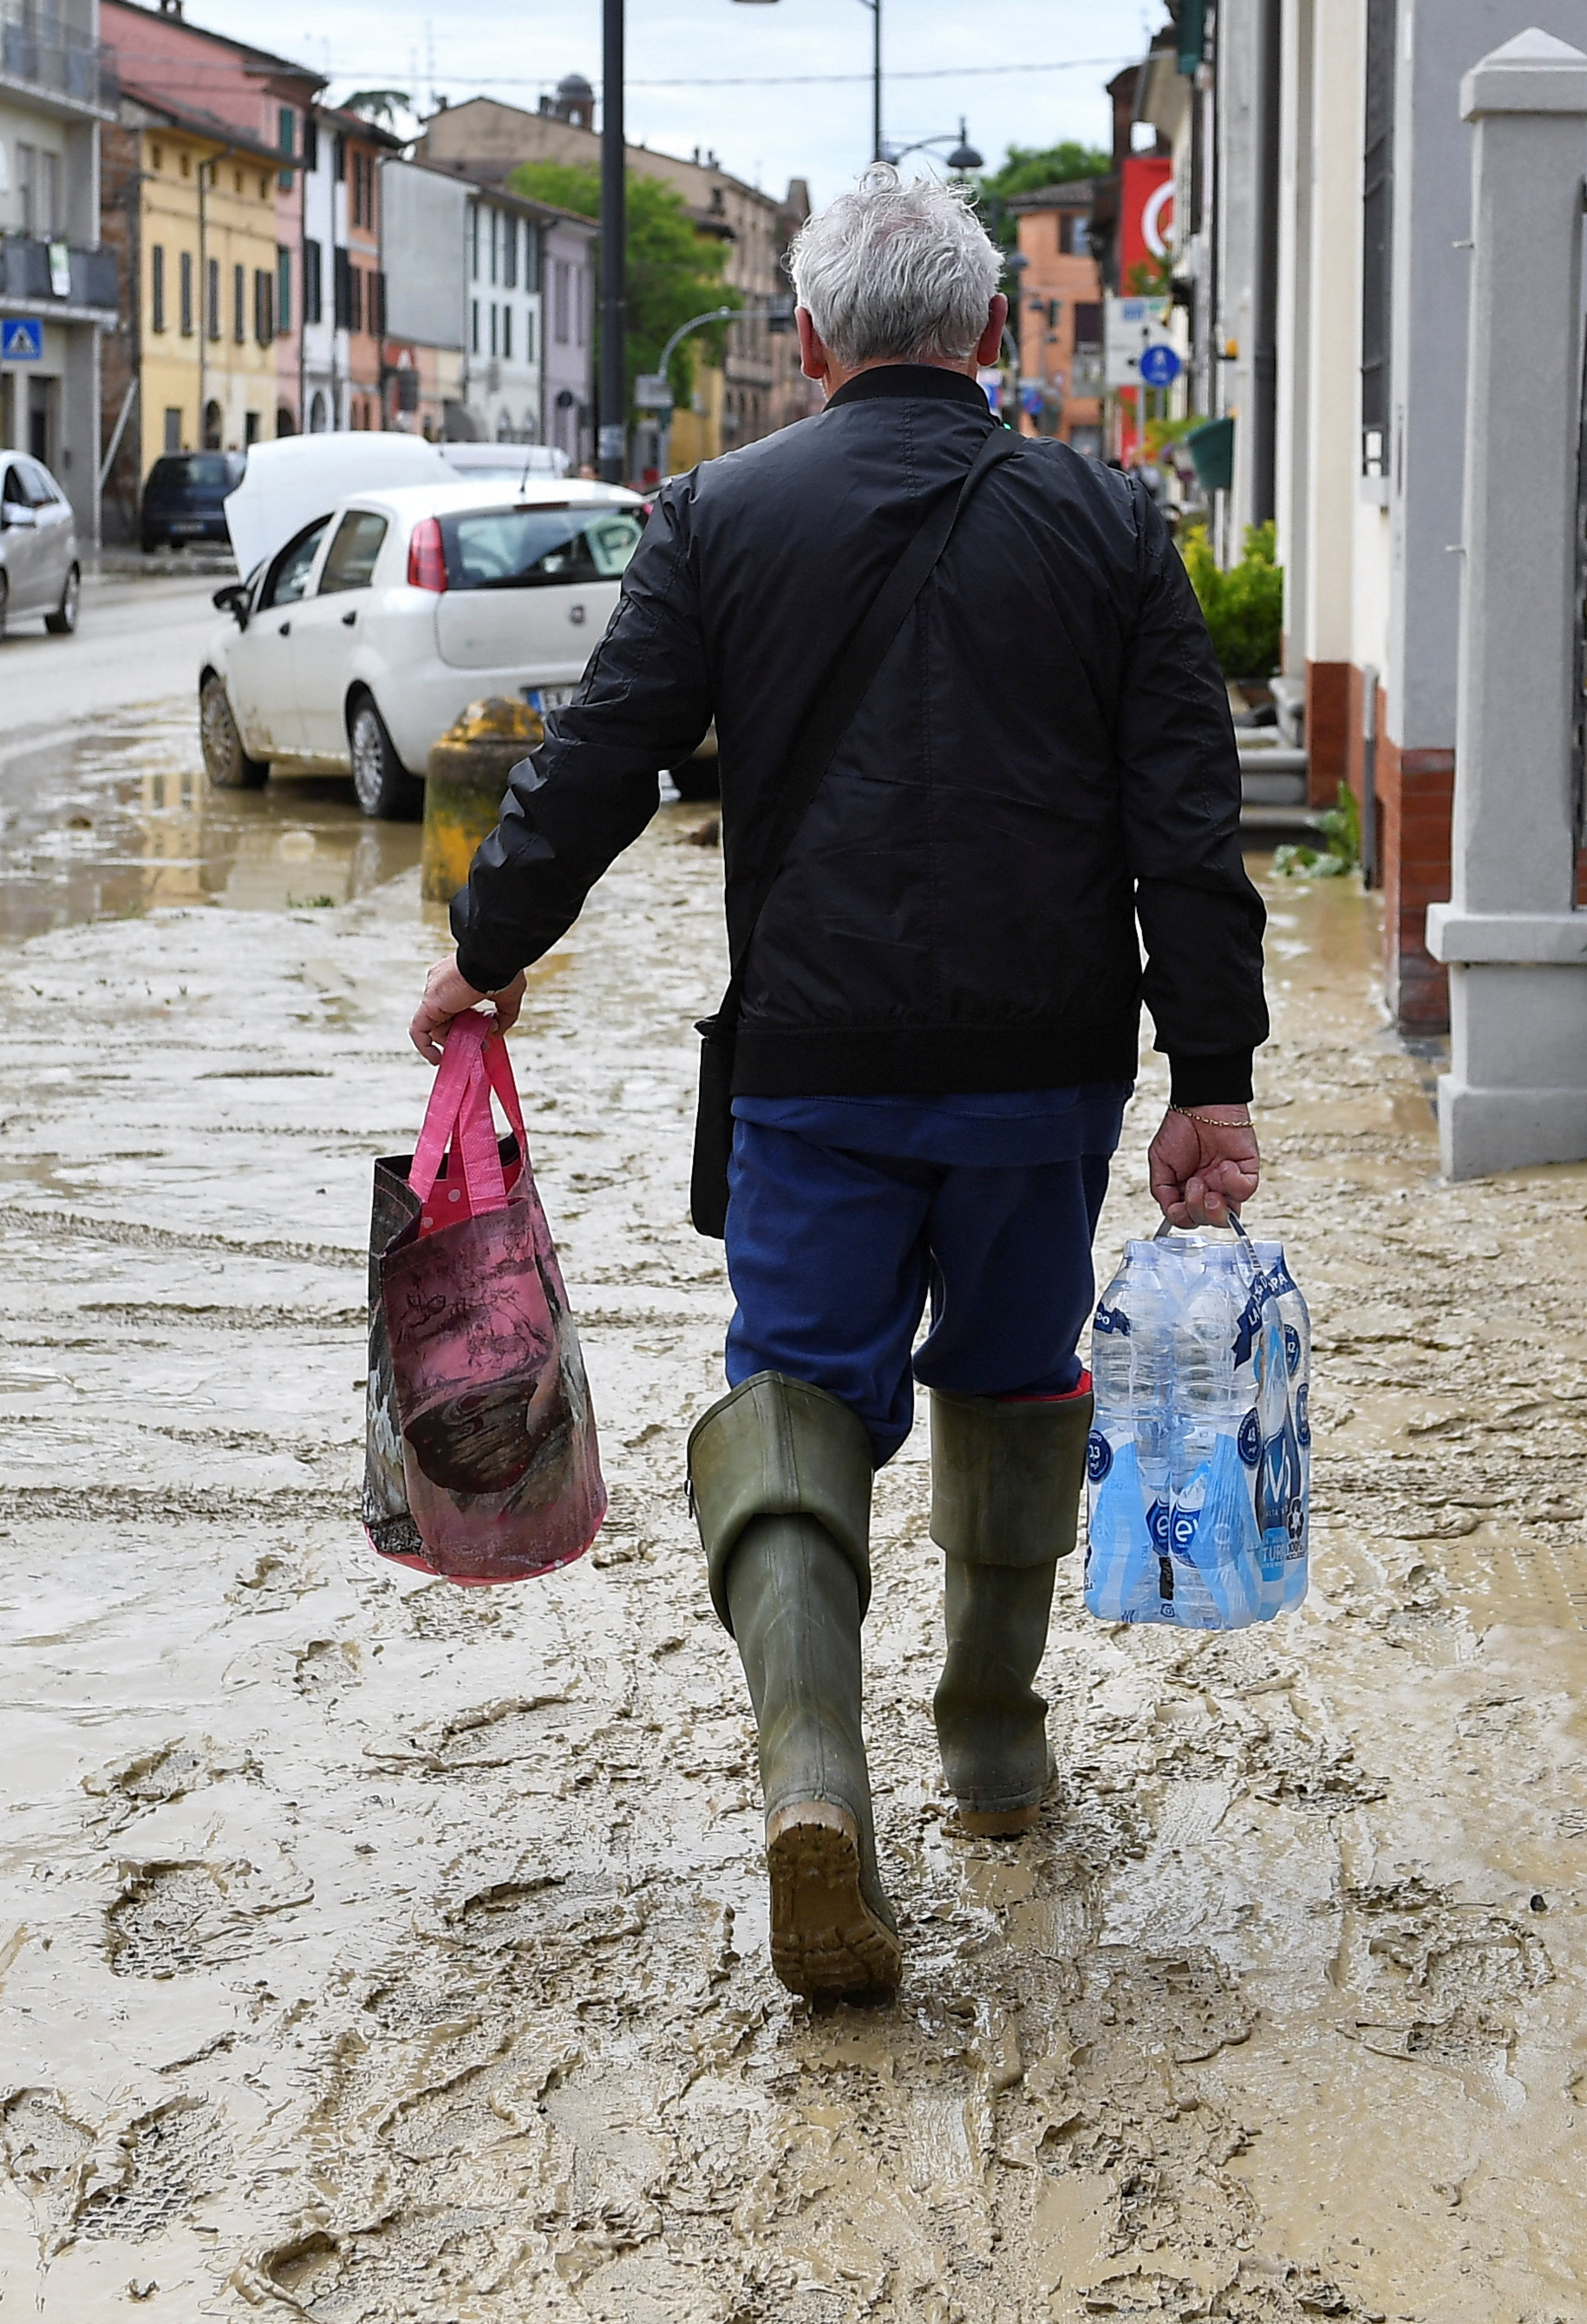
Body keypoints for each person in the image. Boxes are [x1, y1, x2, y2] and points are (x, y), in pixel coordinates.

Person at [408, 166, 1267, 2001]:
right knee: (1018, 1376)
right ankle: (993, 1745)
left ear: (805, 342)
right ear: (986, 336)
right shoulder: (1112, 524)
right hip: (1046, 1074)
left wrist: (484, 953)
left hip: (815, 1066)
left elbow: (599, 762)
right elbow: (1186, 827)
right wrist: (1212, 1073)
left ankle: (813, 1778)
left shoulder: (715, 515)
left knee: (794, 1392)